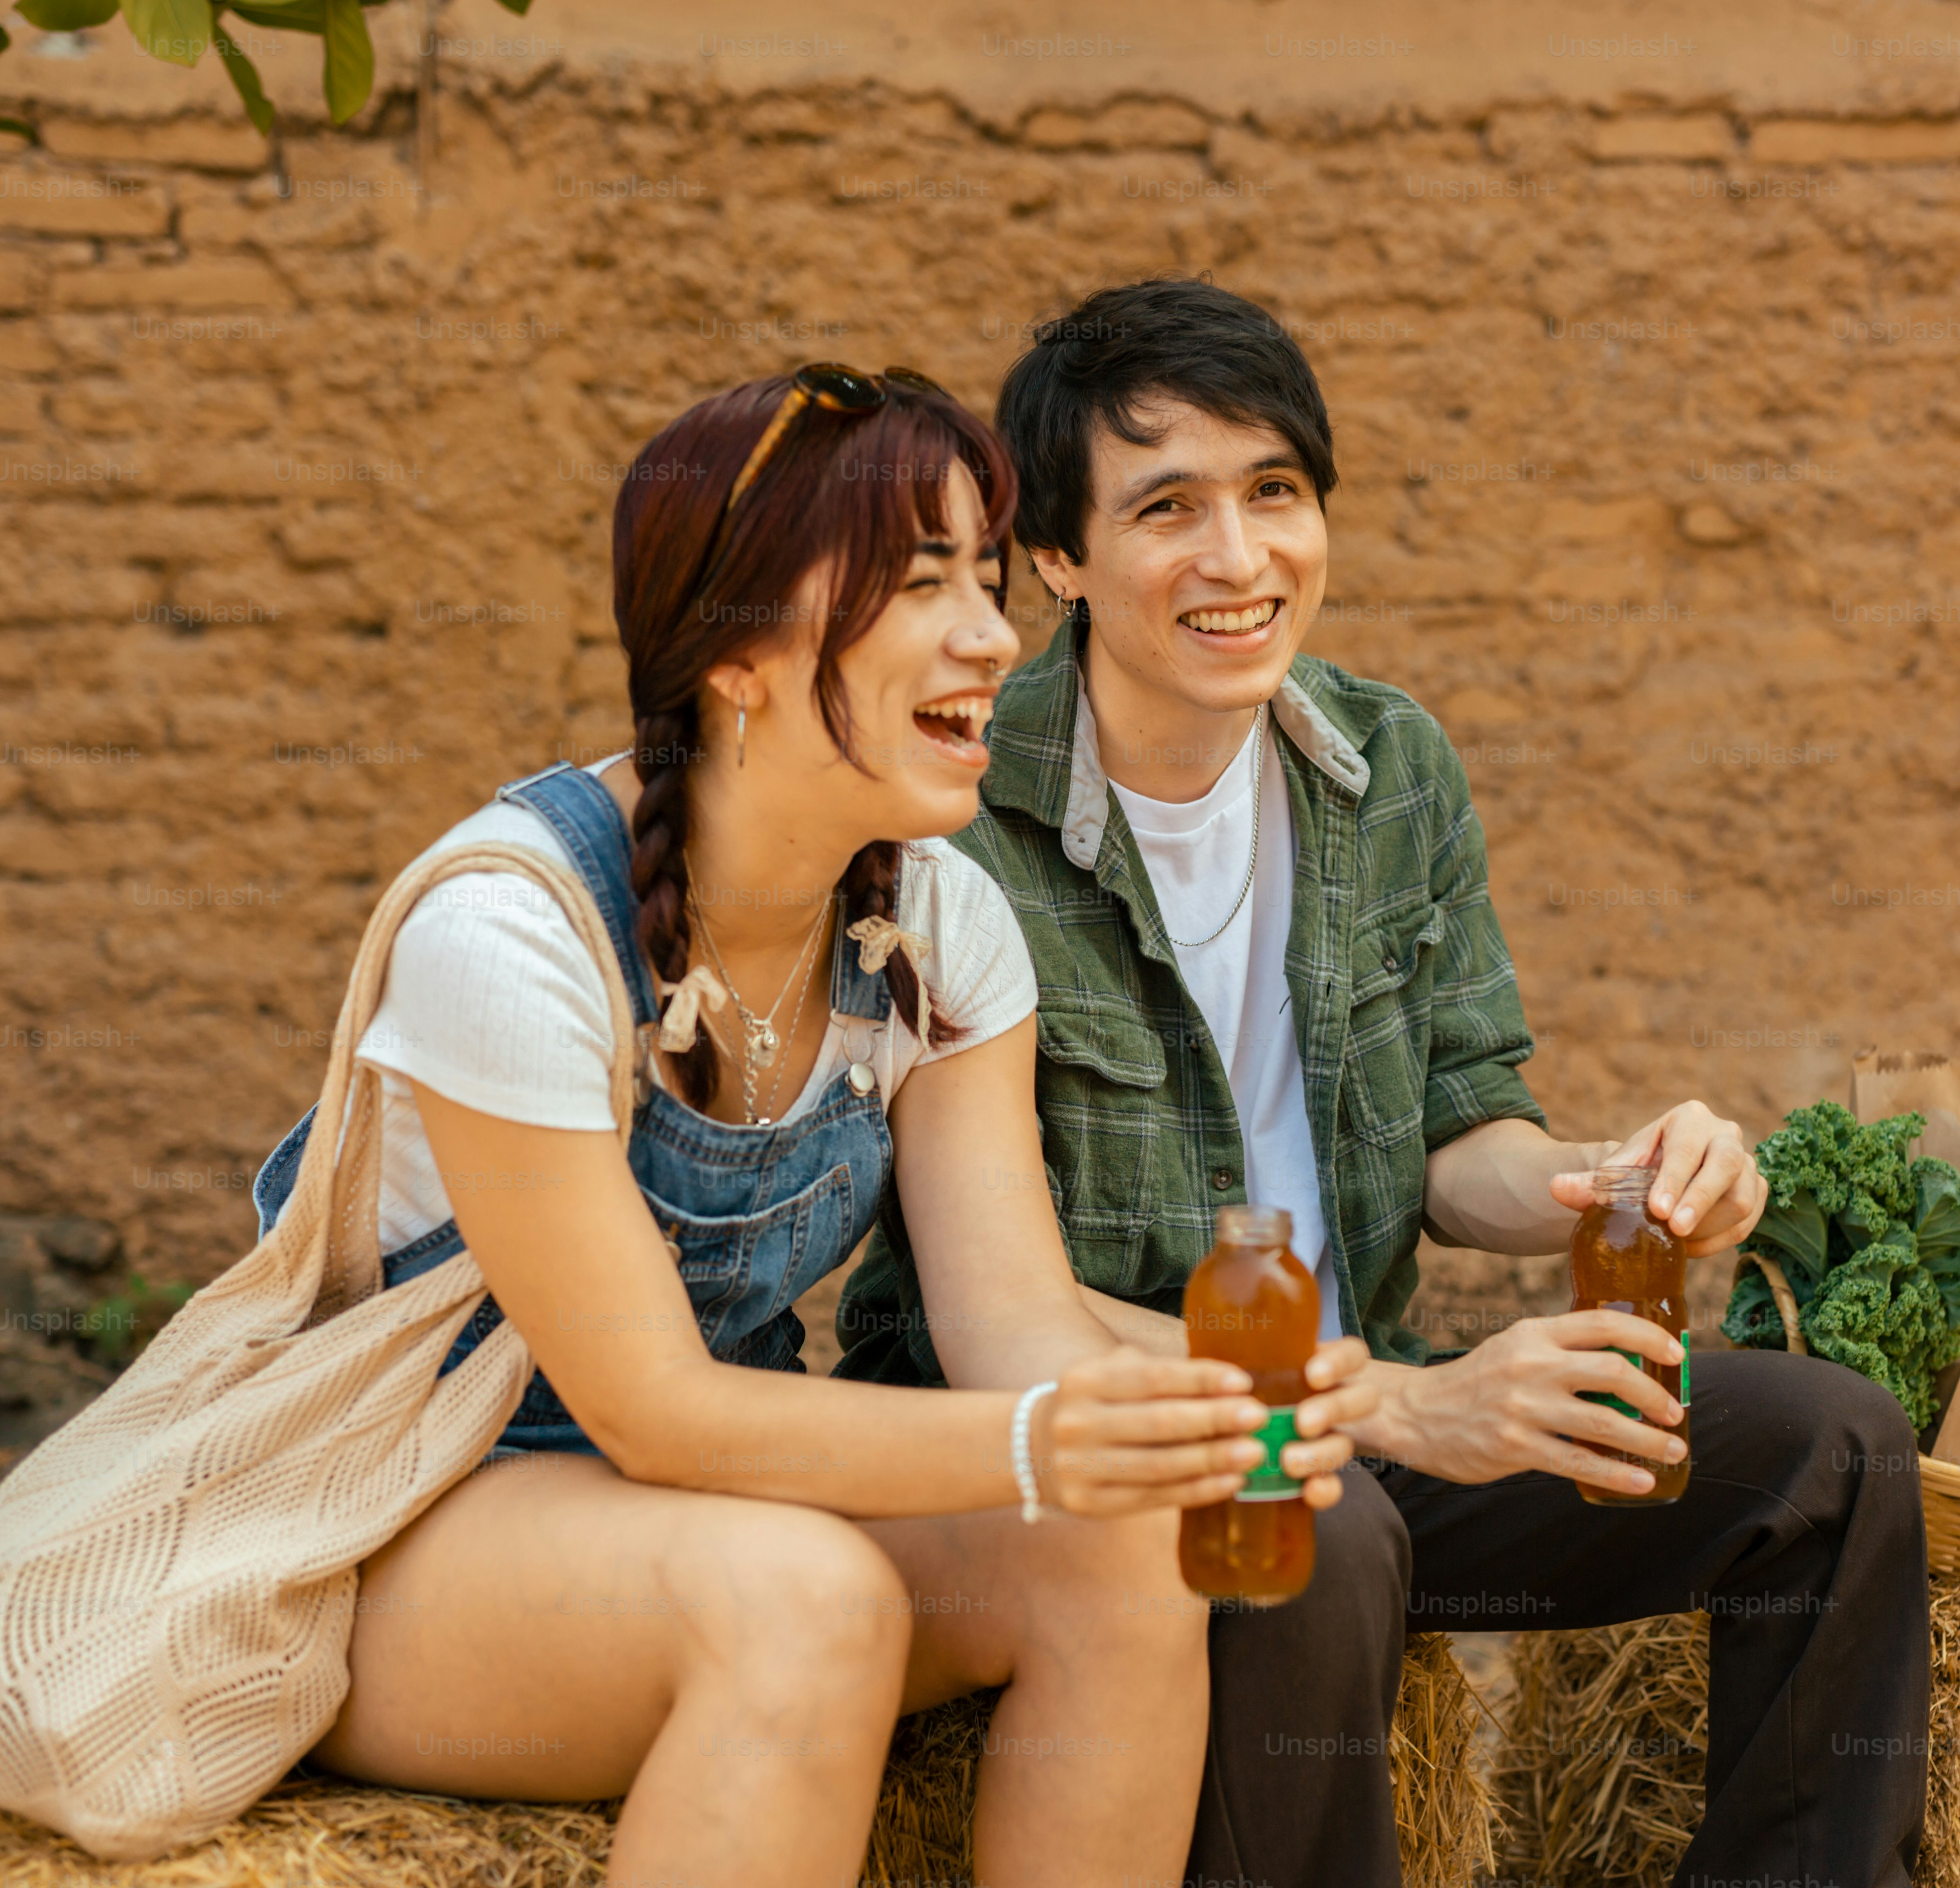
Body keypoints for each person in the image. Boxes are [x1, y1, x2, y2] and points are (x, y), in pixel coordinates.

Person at [837, 284, 1932, 1888]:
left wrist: (1614, 1172)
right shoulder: (961, 809)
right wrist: (1375, 1404)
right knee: (1312, 1526)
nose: (1239, 557)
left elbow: (1457, 1135)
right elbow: (988, 1301)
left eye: (1273, 492)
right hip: (1076, 1431)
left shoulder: (1387, 764)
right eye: (1168, 509)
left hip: (1387, 1403)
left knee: (1831, 1450)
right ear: (1058, 561)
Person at [244, 364, 1377, 1888]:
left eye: (992, 577)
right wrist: (1052, 1438)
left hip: (712, 1510)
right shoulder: (511, 931)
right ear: (740, 655)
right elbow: (655, 1413)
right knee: (807, 1598)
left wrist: (1190, 1417)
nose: (994, 634)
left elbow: (1014, 1324)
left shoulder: (944, 921)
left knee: (1126, 1557)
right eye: (926, 585)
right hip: (406, 1525)